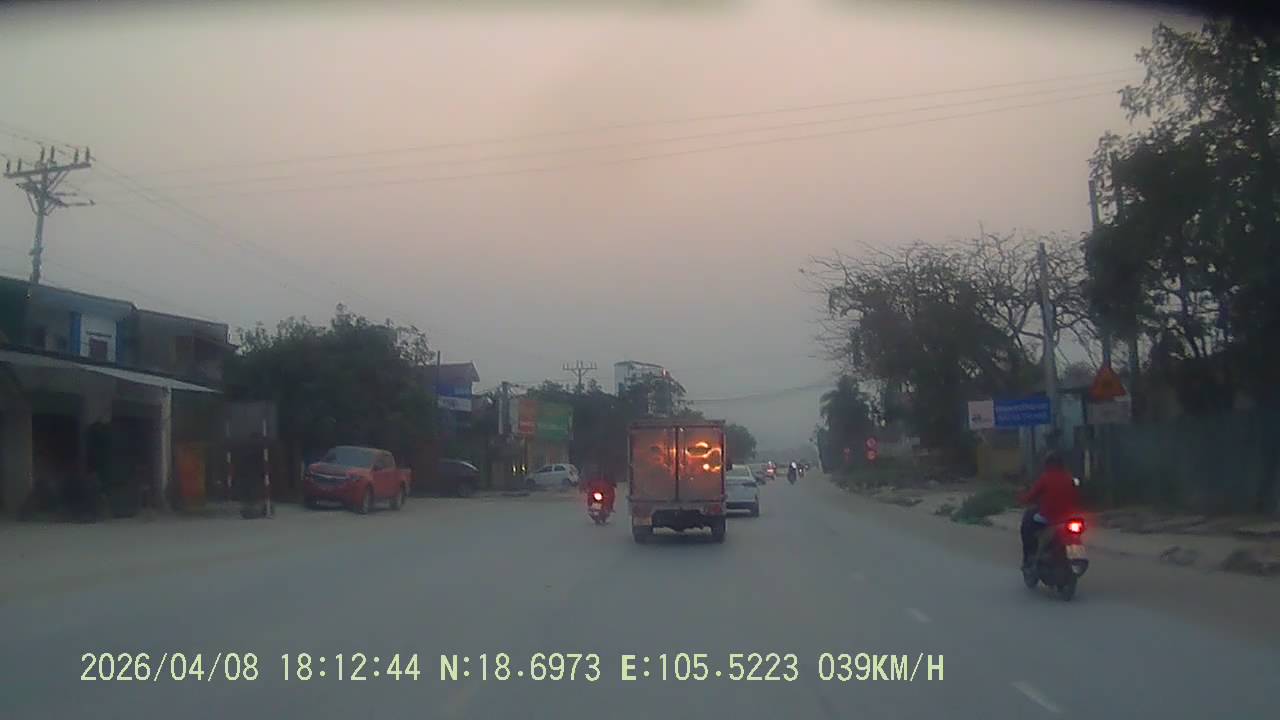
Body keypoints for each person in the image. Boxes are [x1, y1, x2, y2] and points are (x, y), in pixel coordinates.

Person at [1019, 451, 1080, 568]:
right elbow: (1077, 496)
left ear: (1047, 464)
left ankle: (1029, 557)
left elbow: (1031, 495)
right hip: (1068, 517)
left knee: (1027, 523)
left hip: (1050, 516)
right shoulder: (1069, 478)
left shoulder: (1045, 478)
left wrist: (1022, 499)